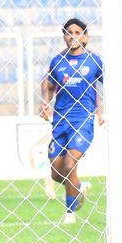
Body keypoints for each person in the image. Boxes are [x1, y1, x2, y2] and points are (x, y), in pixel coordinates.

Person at [38, 18, 104, 226]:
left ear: (85, 37)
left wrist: (102, 112)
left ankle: (70, 213)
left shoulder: (94, 61)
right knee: (57, 173)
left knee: (69, 164)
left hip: (82, 120)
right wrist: (45, 103)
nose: (72, 36)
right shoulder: (57, 61)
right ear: (64, 37)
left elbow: (106, 86)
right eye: (69, 32)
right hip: (60, 121)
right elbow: (48, 84)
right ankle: (79, 187)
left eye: (77, 32)